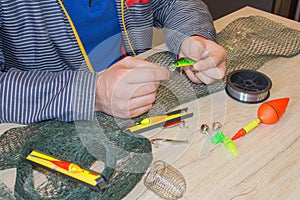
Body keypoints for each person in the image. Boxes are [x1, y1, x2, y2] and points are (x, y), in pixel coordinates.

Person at [0, 0, 227, 124]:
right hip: (46, 123)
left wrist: (193, 36)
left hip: (145, 111)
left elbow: (175, 3)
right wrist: (92, 93)